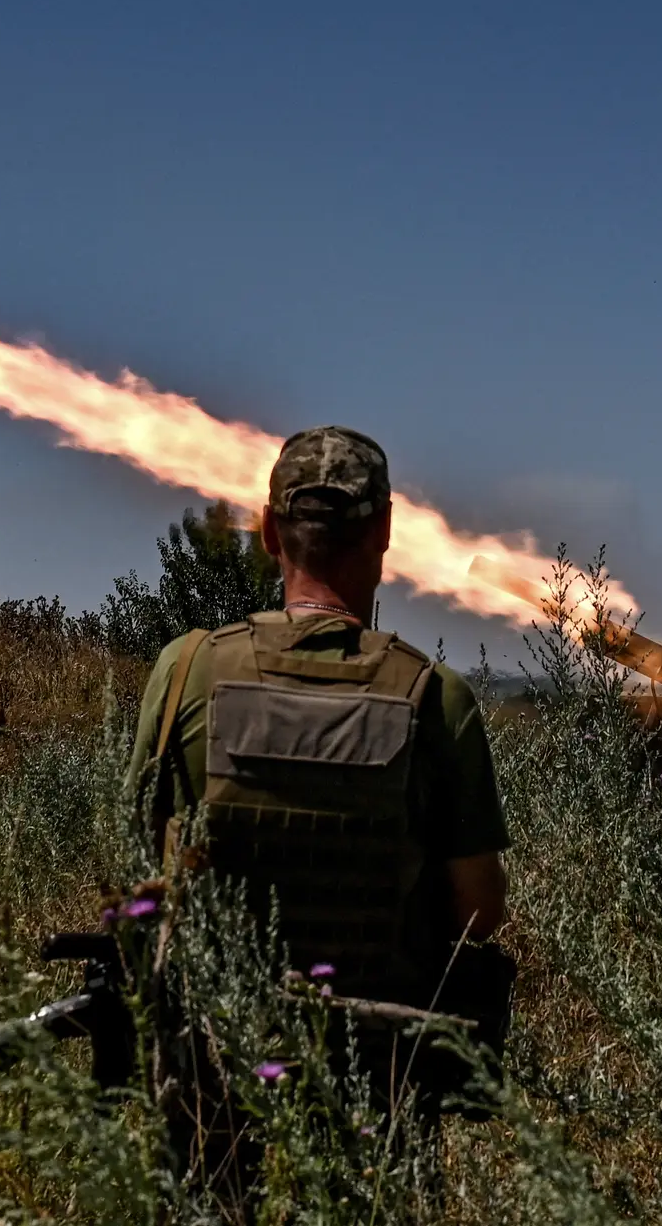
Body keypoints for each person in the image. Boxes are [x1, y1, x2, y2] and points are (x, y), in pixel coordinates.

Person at [124, 426, 513, 1198]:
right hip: (378, 1073)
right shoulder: (436, 699)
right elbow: (479, 912)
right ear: (387, 532)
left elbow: (147, 848)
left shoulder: (187, 671)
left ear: (268, 531)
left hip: (216, 1057)